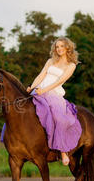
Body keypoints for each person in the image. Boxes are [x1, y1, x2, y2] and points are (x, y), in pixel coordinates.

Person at [26, 37, 82, 166]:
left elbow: (59, 81)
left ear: (67, 47)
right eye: (57, 47)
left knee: (59, 118)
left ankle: (63, 150)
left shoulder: (71, 65)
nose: (59, 49)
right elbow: (41, 75)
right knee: (20, 107)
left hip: (53, 92)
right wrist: (32, 88)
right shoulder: (50, 61)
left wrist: (44, 90)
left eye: (62, 46)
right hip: (39, 89)